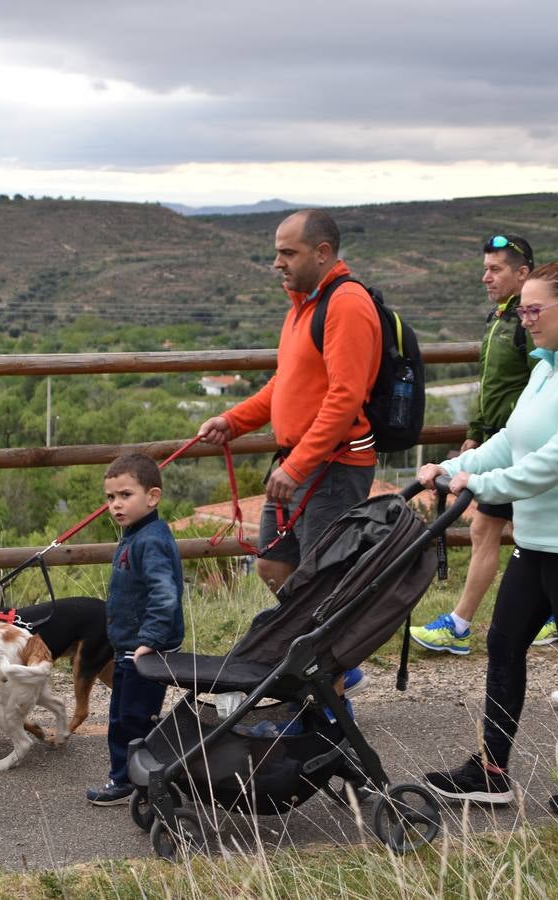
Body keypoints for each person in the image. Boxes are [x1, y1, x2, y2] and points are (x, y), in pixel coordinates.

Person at [419, 243, 558, 815]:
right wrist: (453, 469)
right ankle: (491, 771)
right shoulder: (546, 369)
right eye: (521, 312)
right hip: (539, 537)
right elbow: (512, 444)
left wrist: (480, 488)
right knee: (503, 643)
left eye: (533, 310)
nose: (525, 320)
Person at [197, 209, 378, 698]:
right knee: (275, 568)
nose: (277, 262)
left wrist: (299, 465)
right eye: (277, 251)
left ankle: (330, 696)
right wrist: (233, 420)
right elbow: (286, 383)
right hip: (299, 464)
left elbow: (345, 396)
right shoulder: (303, 305)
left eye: (288, 252)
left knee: (322, 588)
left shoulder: (347, 305)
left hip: (332, 469)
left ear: (322, 253)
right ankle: (329, 664)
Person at [410, 234, 541, 655]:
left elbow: (542, 387)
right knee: (502, 529)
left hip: (520, 450)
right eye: (485, 268)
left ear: (523, 273)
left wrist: (506, 435)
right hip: (498, 444)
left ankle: (463, 625)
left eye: (496, 269)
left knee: (504, 530)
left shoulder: (530, 323)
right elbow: (493, 384)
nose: (486, 277)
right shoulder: (501, 318)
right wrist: (476, 431)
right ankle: (472, 623)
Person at [85, 454, 184, 806]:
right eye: (110, 498)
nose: (115, 505)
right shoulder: (135, 534)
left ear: (152, 497)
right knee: (123, 715)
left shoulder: (150, 540)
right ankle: (130, 778)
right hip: (129, 646)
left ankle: (132, 782)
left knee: (132, 719)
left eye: (125, 495)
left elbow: (165, 593)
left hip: (144, 649)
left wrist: (150, 641)